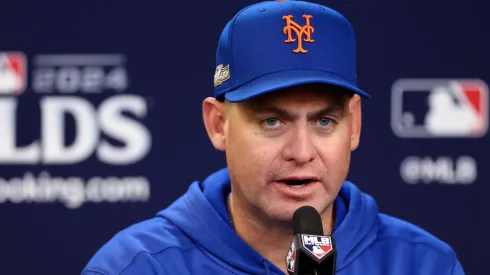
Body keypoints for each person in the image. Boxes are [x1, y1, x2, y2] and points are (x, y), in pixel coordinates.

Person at [82, 0, 465, 274]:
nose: (301, 153)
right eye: (271, 122)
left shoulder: (425, 264)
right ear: (218, 125)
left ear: (355, 124)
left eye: (324, 122)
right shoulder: (135, 266)